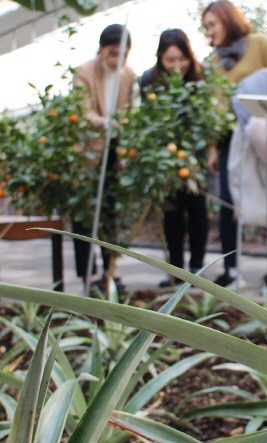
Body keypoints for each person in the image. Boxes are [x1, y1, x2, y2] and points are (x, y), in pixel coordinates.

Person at [202, 0, 267, 294]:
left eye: (212, 24)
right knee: (229, 203)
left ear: (228, 19)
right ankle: (232, 270)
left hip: (264, 132)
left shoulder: (260, 44)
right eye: (205, 28)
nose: (209, 32)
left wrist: (250, 90)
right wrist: (213, 148)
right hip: (231, 139)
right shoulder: (213, 62)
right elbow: (214, 108)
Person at [139, 29, 213, 287]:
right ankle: (175, 269)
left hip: (196, 157)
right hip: (166, 159)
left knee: (197, 211)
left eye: (181, 59)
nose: (177, 66)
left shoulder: (202, 76)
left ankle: (196, 268)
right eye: (170, 60)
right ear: (160, 58)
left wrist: (198, 157)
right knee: (171, 214)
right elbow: (148, 120)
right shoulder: (149, 80)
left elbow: (207, 119)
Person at [72, 23, 137, 292]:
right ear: (101, 50)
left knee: (110, 212)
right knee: (84, 215)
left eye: (123, 54)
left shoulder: (129, 74)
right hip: (88, 153)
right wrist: (107, 123)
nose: (118, 60)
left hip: (114, 151)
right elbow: (82, 112)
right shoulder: (83, 72)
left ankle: (109, 272)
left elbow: (132, 110)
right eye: (113, 53)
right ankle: (87, 276)